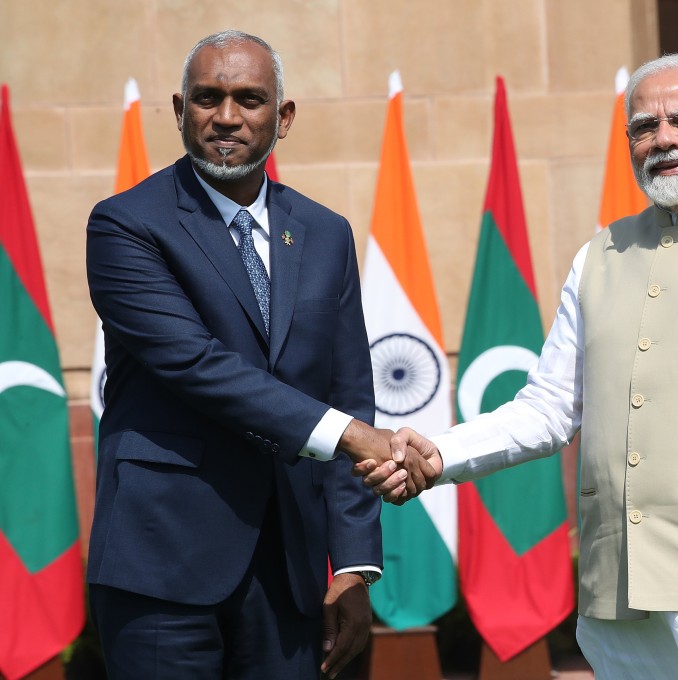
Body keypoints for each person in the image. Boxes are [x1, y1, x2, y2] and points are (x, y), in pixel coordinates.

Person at [361, 53, 678, 680]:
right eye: (645, 127)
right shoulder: (599, 256)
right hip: (620, 596)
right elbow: (549, 408)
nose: (665, 139)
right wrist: (441, 455)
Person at [86, 30, 432, 680]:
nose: (226, 116)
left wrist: (354, 567)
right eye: (207, 98)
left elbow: (349, 387)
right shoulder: (126, 224)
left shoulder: (326, 233)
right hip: (161, 567)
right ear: (179, 108)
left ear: (284, 116)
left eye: (248, 99)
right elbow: (196, 365)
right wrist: (355, 437)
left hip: (291, 576)